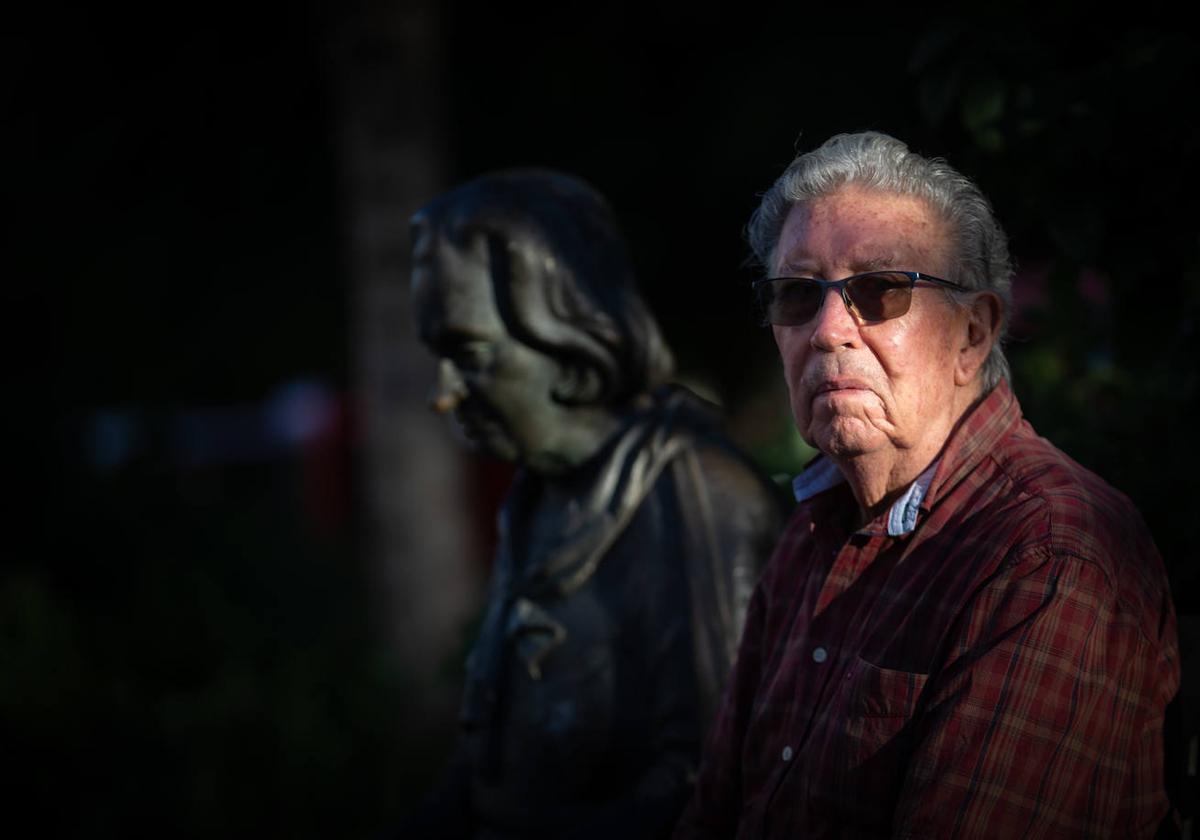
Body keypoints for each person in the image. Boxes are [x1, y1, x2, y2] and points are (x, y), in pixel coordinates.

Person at [673, 132, 1180, 838]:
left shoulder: (1051, 555)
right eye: (797, 294)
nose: (827, 331)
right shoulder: (814, 529)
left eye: (878, 290)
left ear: (972, 335)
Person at [404, 169, 784, 840]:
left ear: (570, 340)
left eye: (468, 354)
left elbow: (713, 783)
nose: (446, 393)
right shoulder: (538, 497)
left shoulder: (700, 501)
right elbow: (485, 770)